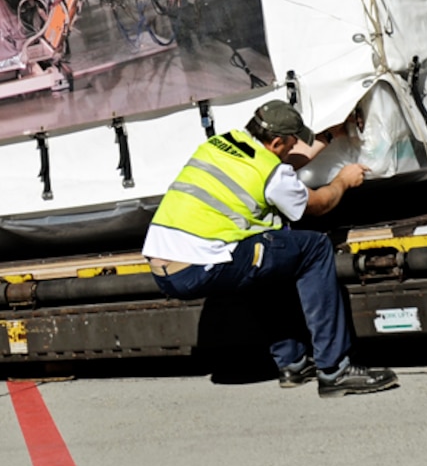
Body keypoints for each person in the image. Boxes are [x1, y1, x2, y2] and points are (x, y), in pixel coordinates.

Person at [143, 100, 396, 397]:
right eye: (290, 144)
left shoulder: (223, 143)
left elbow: (280, 167)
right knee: (314, 248)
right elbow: (318, 204)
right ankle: (335, 370)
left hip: (164, 266)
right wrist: (343, 180)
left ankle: (292, 363)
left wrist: (331, 137)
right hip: (196, 267)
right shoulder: (270, 173)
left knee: (266, 252)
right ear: (276, 141)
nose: (292, 148)